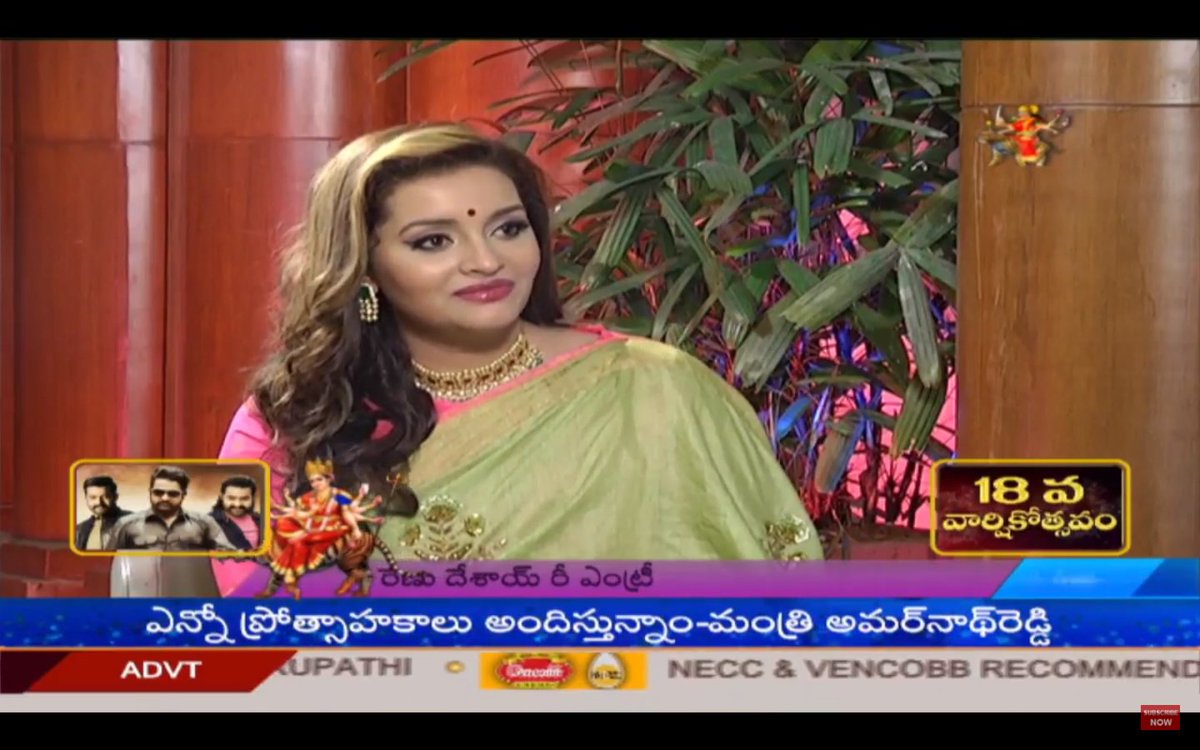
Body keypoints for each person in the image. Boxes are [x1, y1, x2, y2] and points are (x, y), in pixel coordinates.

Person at [214, 123, 823, 594]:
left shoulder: (655, 388)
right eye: (433, 241)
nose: (486, 261)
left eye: (508, 229)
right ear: (364, 268)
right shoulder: (291, 412)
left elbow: (774, 597)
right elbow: (238, 610)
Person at [106, 465, 239, 553]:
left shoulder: (205, 523)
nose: (165, 498)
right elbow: (108, 562)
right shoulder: (125, 524)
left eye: (172, 494)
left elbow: (229, 556)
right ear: (150, 492)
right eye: (158, 492)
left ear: (183, 495)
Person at [74, 475, 132, 551]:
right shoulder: (79, 529)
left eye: (105, 497)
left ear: (115, 497)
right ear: (86, 498)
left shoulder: (133, 522)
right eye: (93, 497)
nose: (99, 502)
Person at [209, 475, 263, 551]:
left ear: (253, 498)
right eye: (231, 498)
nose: (237, 504)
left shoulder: (262, 520)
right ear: (222, 497)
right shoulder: (208, 522)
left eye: (244, 499)